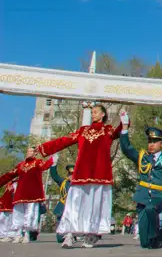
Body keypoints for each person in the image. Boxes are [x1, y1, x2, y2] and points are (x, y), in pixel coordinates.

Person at [35, 104, 122, 248]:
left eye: (96, 112)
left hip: (100, 173)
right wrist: (44, 148)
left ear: (103, 115)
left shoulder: (108, 130)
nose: (93, 114)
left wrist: (124, 122)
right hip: (82, 172)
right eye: (92, 112)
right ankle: (70, 234)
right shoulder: (83, 131)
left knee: (95, 205)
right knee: (74, 204)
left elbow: (118, 132)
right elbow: (64, 140)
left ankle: (90, 234)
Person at [118, 117, 162, 249]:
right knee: (145, 244)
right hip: (143, 198)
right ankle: (161, 235)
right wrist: (125, 127)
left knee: (151, 208)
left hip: (159, 197)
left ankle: (156, 236)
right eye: (150, 141)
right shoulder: (143, 158)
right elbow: (127, 148)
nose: (151, 144)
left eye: (155, 141)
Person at [0, 147, 56, 244]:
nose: (29, 152)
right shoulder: (20, 165)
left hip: (32, 194)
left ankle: (26, 234)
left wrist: (53, 157)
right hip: (20, 194)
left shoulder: (38, 162)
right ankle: (18, 235)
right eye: (28, 151)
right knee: (18, 214)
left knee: (30, 214)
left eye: (31, 151)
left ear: (35, 153)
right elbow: (10, 174)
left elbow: (45, 166)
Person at [48, 163, 75, 244]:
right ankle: (65, 235)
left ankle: (73, 235)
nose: (71, 176)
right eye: (70, 174)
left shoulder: (78, 184)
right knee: (60, 238)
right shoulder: (63, 182)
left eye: (73, 174)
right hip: (63, 209)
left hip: (74, 210)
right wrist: (54, 164)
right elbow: (54, 176)